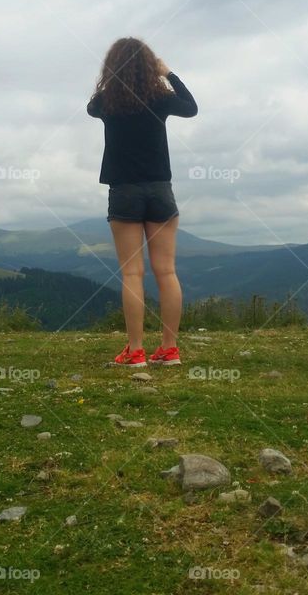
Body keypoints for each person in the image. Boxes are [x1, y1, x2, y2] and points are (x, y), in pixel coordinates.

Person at [88, 37, 198, 367]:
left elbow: (91, 106)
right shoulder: (161, 98)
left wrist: (112, 77)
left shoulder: (107, 101)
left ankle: (135, 351)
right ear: (150, 65)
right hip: (160, 189)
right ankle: (169, 349)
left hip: (124, 191)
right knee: (166, 271)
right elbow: (191, 107)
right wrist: (168, 73)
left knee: (132, 274)